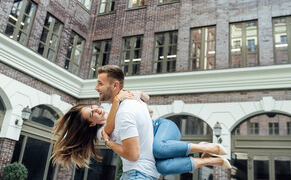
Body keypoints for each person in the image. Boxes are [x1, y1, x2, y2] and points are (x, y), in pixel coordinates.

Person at [52, 65, 231, 178]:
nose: (97, 109)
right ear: (91, 124)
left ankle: (205, 147)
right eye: (92, 114)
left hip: (161, 127)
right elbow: (110, 126)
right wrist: (116, 103)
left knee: (159, 149)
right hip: (148, 155)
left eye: (92, 106)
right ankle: (209, 161)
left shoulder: (120, 106)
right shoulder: (102, 131)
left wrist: (139, 95)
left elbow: (146, 99)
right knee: (162, 166)